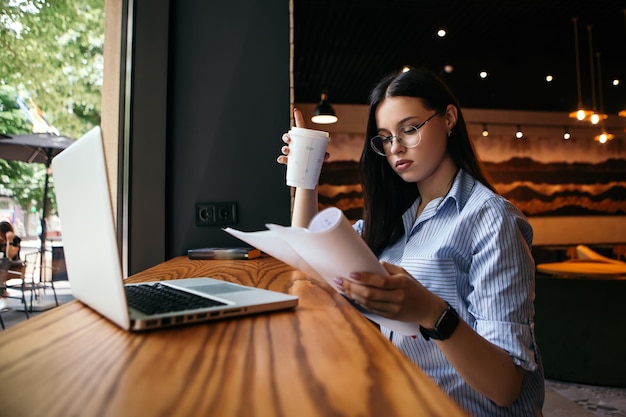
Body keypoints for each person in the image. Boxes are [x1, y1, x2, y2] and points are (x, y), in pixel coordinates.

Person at [278, 67, 544, 416]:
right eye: (385, 137)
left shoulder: (489, 218)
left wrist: (431, 312)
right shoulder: (397, 221)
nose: (396, 147)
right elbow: (309, 259)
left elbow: (505, 386)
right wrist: (306, 173)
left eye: (410, 129)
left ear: (449, 118)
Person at [1, 220, 22, 310]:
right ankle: (2, 291)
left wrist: (9, 240)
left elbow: (9, 256)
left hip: (15, 269)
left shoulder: (15, 240)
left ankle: (2, 292)